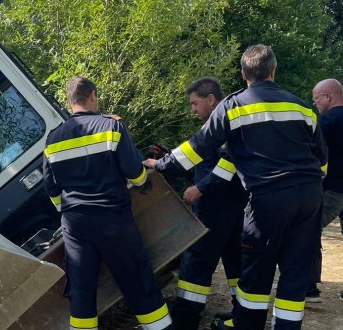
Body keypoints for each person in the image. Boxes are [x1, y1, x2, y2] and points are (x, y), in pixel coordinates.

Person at [143, 44, 327, 330]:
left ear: (243, 74)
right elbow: (322, 161)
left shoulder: (232, 105)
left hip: (268, 198)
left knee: (256, 272)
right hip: (309, 196)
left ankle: (247, 326)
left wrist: (160, 165)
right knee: (295, 271)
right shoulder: (301, 106)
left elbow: (197, 148)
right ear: (273, 71)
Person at [43, 76, 173, 330]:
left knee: (82, 292)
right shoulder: (110, 127)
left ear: (70, 102)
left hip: (76, 226)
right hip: (112, 219)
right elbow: (135, 173)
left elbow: (51, 187)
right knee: (137, 281)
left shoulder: (52, 140)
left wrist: (65, 209)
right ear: (92, 95)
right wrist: (142, 182)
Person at [168, 77, 248, 330]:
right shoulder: (224, 121)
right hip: (234, 204)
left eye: (195, 103)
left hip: (215, 206)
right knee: (236, 261)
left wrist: (200, 188)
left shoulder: (221, 123)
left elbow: (226, 164)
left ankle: (185, 318)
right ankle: (241, 314)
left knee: (197, 261)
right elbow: (203, 159)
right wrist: (166, 160)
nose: (192, 109)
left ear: (211, 99)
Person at [307, 78, 343, 303]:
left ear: (328, 97)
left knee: (308, 230)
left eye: (316, 100)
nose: (316, 105)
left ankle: (309, 288)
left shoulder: (327, 120)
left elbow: (317, 156)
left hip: (333, 189)